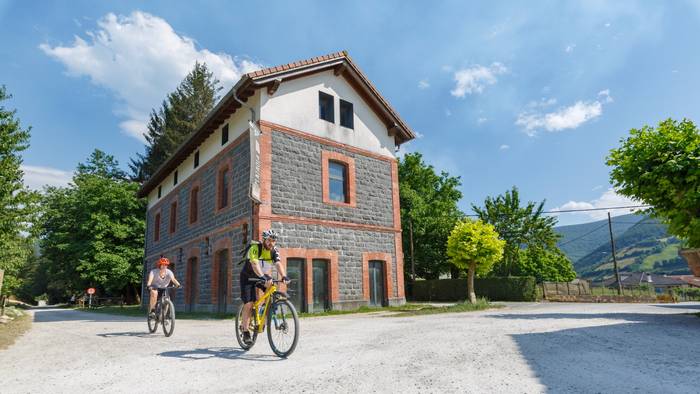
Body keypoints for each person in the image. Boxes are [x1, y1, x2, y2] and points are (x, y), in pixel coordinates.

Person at [239, 229, 289, 345]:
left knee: (271, 290)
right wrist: (263, 276)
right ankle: (245, 331)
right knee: (249, 304)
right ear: (264, 240)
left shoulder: (274, 251)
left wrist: (284, 276)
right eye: (269, 241)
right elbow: (254, 264)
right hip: (248, 277)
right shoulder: (255, 248)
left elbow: (278, 263)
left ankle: (263, 312)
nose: (271, 243)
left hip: (262, 276)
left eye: (273, 241)